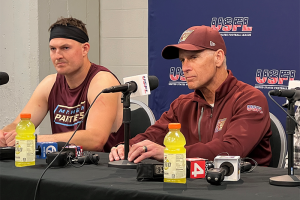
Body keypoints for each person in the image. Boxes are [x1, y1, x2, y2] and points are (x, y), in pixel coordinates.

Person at [109, 25, 272, 166]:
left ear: (218, 57)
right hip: (196, 186)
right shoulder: (183, 104)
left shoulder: (250, 99)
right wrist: (127, 147)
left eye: (193, 58)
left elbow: (231, 150)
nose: (185, 67)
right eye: (182, 60)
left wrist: (171, 153)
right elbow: (154, 135)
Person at [0, 17, 124, 152]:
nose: (57, 55)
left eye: (65, 48)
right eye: (53, 49)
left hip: (102, 168)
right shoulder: (49, 83)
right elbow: (19, 124)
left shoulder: (102, 82)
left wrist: (35, 139)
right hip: (61, 166)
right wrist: (5, 134)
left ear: (85, 49)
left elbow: (95, 140)